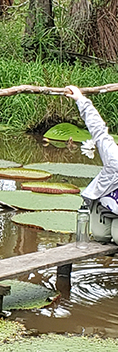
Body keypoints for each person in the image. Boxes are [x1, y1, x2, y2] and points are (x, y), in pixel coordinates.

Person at [63, 85, 118, 242]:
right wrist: (80, 99)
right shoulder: (114, 157)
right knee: (101, 235)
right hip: (106, 203)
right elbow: (99, 130)